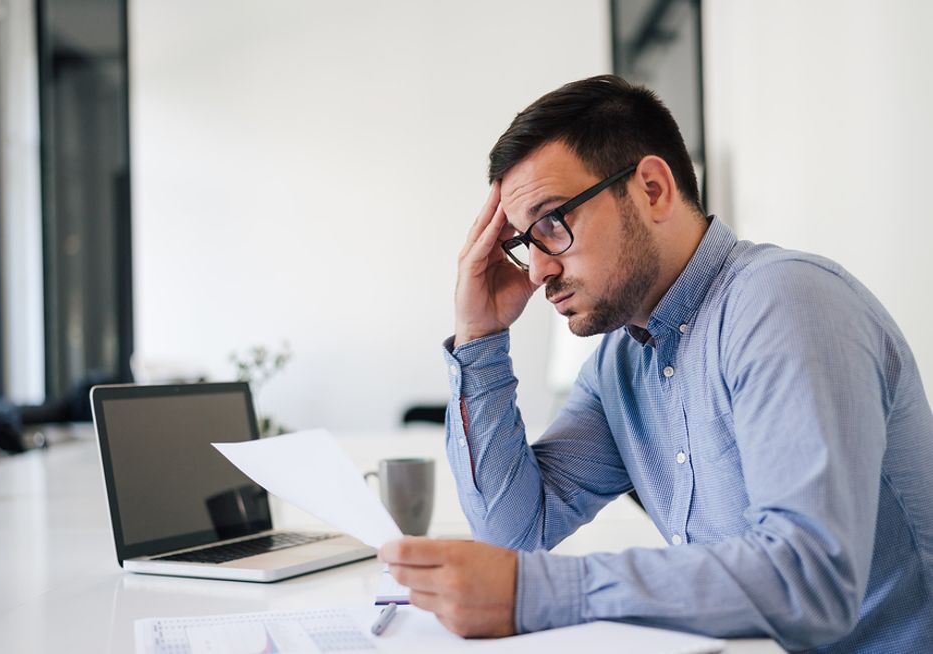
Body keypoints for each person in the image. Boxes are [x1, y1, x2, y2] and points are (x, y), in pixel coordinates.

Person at [378, 75, 933, 652]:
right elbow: (513, 529)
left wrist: (540, 592)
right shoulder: (621, 362)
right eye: (524, 242)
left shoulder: (785, 302)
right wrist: (479, 336)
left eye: (551, 224)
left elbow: (810, 579)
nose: (537, 271)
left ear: (651, 188)